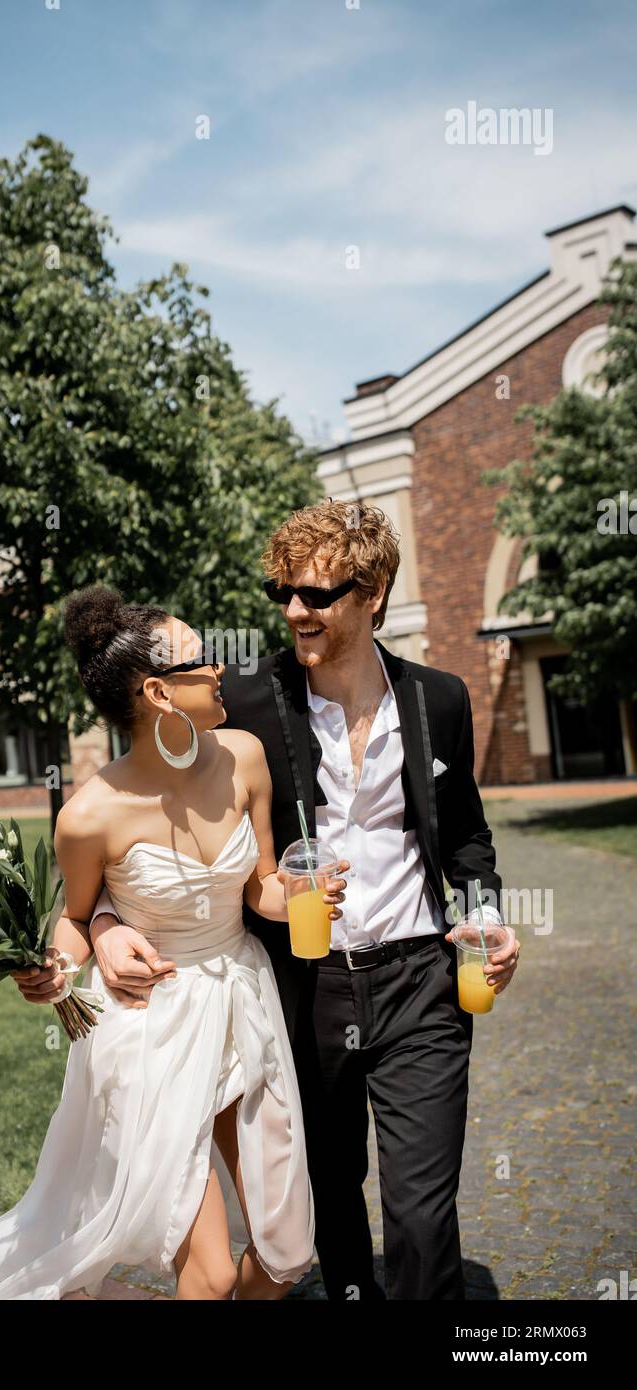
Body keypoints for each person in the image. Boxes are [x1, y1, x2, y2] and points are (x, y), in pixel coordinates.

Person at [75, 499, 520, 1300]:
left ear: (373, 593)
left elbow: (467, 837)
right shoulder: (243, 701)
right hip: (305, 990)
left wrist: (485, 914)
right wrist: (103, 922)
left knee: (422, 1216)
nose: (293, 611)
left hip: (423, 982)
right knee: (331, 1192)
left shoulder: (441, 700)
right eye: (282, 591)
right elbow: (137, 811)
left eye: (316, 594)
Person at [0, 585, 347, 1301]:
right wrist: (53, 969)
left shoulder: (244, 757)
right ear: (159, 693)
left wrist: (299, 896)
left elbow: (259, 886)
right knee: (210, 1273)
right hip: (153, 1025)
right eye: (202, 659)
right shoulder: (89, 815)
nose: (220, 669)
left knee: (286, 1255)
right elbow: (76, 918)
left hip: (245, 1003)